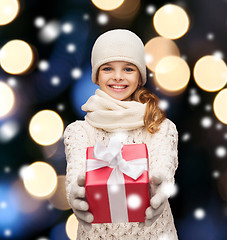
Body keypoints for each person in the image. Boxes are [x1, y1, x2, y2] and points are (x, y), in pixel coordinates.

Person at [64, 29, 178, 240]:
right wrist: (75, 193)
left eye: (128, 69)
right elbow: (76, 173)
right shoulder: (79, 131)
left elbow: (164, 165)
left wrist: (161, 186)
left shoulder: (160, 127)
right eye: (108, 68)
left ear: (140, 76)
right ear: (96, 75)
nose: (118, 77)